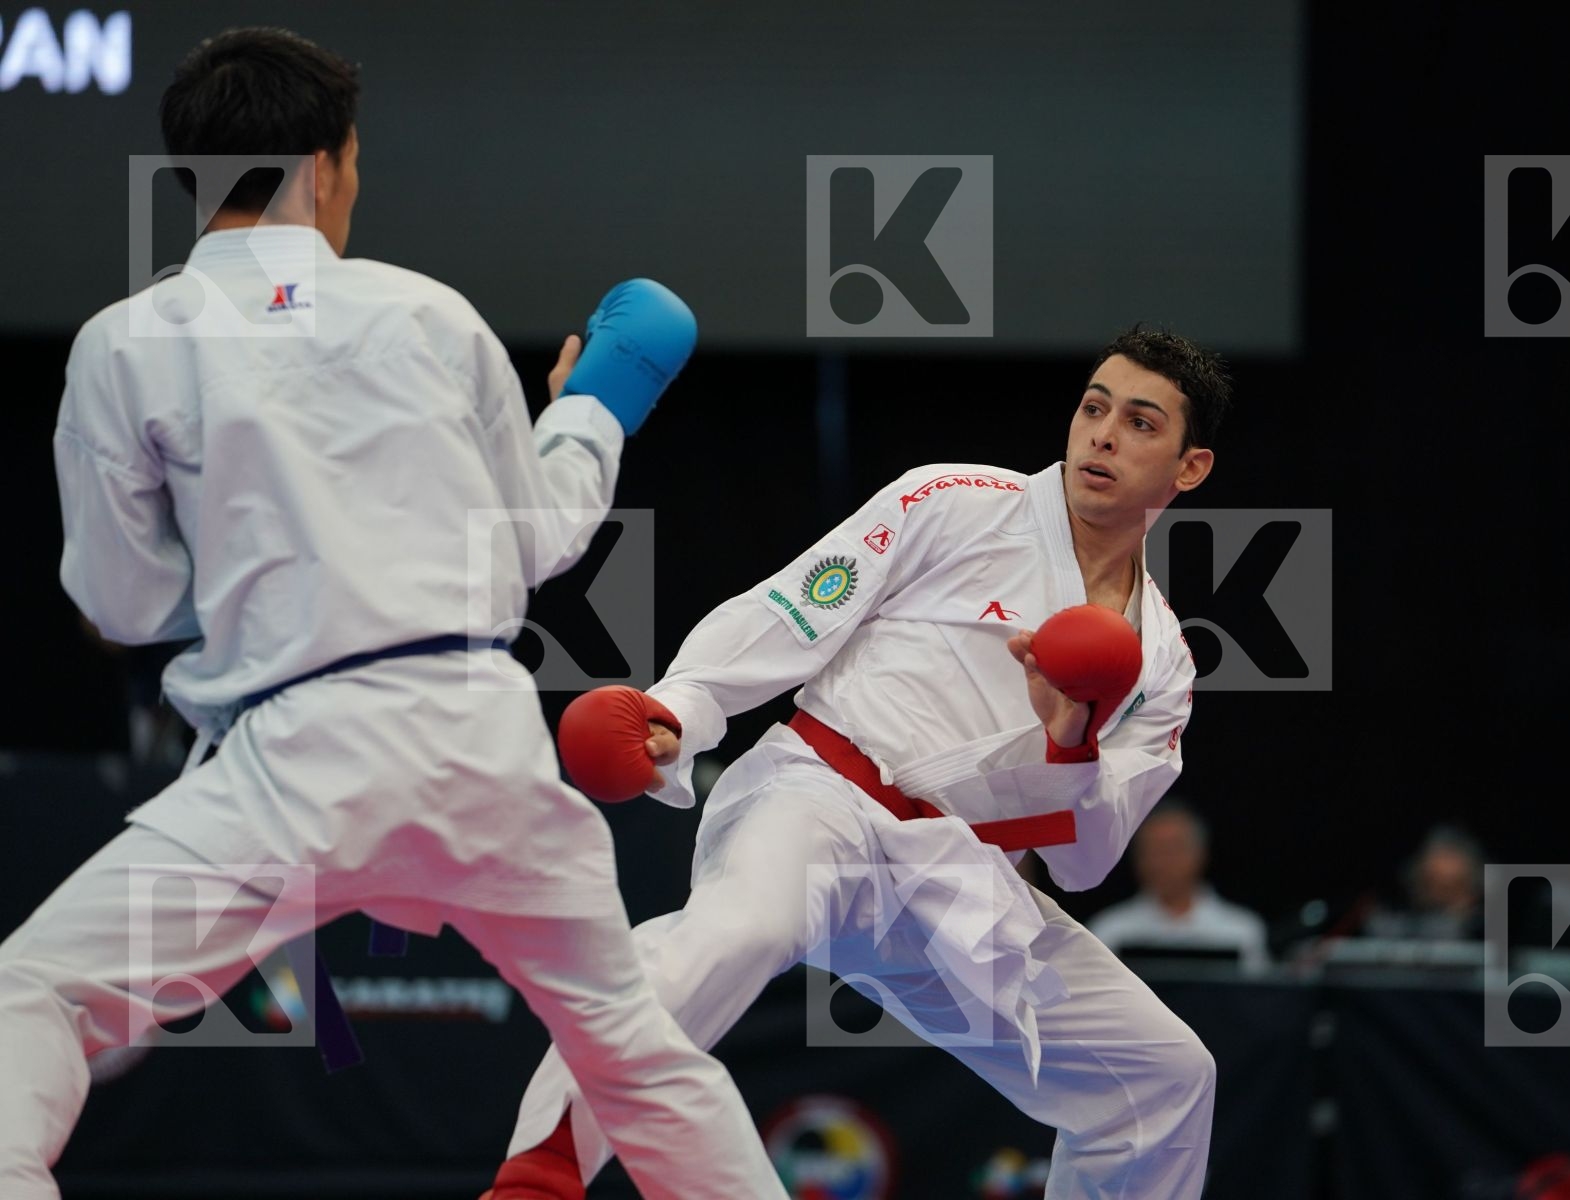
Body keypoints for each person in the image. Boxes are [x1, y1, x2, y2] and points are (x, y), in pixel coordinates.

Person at [0, 28, 785, 1200]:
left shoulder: (125, 342)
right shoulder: (429, 315)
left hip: (291, 760)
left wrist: (234, 577)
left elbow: (117, 601)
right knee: (632, 1052)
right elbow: (536, 542)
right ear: (329, 162)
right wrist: (592, 411)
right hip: (477, 735)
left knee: (37, 996)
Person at [485, 326, 1231, 1200]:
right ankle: (544, 1168)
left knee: (1167, 1076)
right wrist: (681, 708)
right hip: (820, 801)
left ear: (1190, 468)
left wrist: (1071, 742)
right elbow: (797, 605)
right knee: (740, 930)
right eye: (1094, 407)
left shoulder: (1165, 661)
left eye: (1141, 423)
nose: (1102, 434)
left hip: (955, 883)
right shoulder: (956, 502)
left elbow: (1086, 858)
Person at [1086, 801, 1270, 971]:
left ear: (1200, 854)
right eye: (1152, 851)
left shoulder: (1240, 931)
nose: (1161, 863)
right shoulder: (1109, 931)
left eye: (1172, 850)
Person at [1362, 825, 1486, 941]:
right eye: (1431, 884)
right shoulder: (1388, 924)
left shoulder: (1484, 931)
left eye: (1450, 889)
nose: (1439, 897)